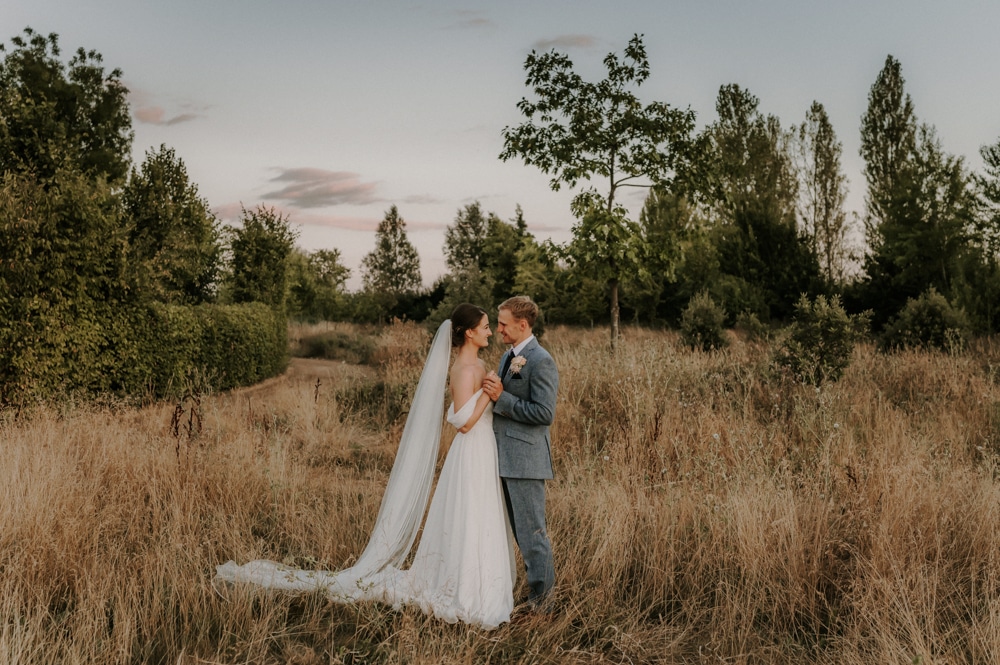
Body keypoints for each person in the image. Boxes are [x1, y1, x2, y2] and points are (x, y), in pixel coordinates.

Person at [215, 304, 515, 629]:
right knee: (468, 515)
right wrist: (490, 394)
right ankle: (463, 589)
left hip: (486, 449)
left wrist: (494, 392)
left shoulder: (483, 364)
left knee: (483, 515)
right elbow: (462, 423)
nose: (489, 331)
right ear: (469, 332)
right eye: (485, 326)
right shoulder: (463, 371)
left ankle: (484, 583)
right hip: (469, 451)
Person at [482, 295, 558, 612]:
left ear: (522, 324)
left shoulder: (541, 361)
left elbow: (544, 413)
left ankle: (543, 607)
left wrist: (502, 398)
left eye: (503, 323)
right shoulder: (507, 357)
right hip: (503, 457)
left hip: (526, 462)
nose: (498, 329)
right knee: (516, 536)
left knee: (533, 537)